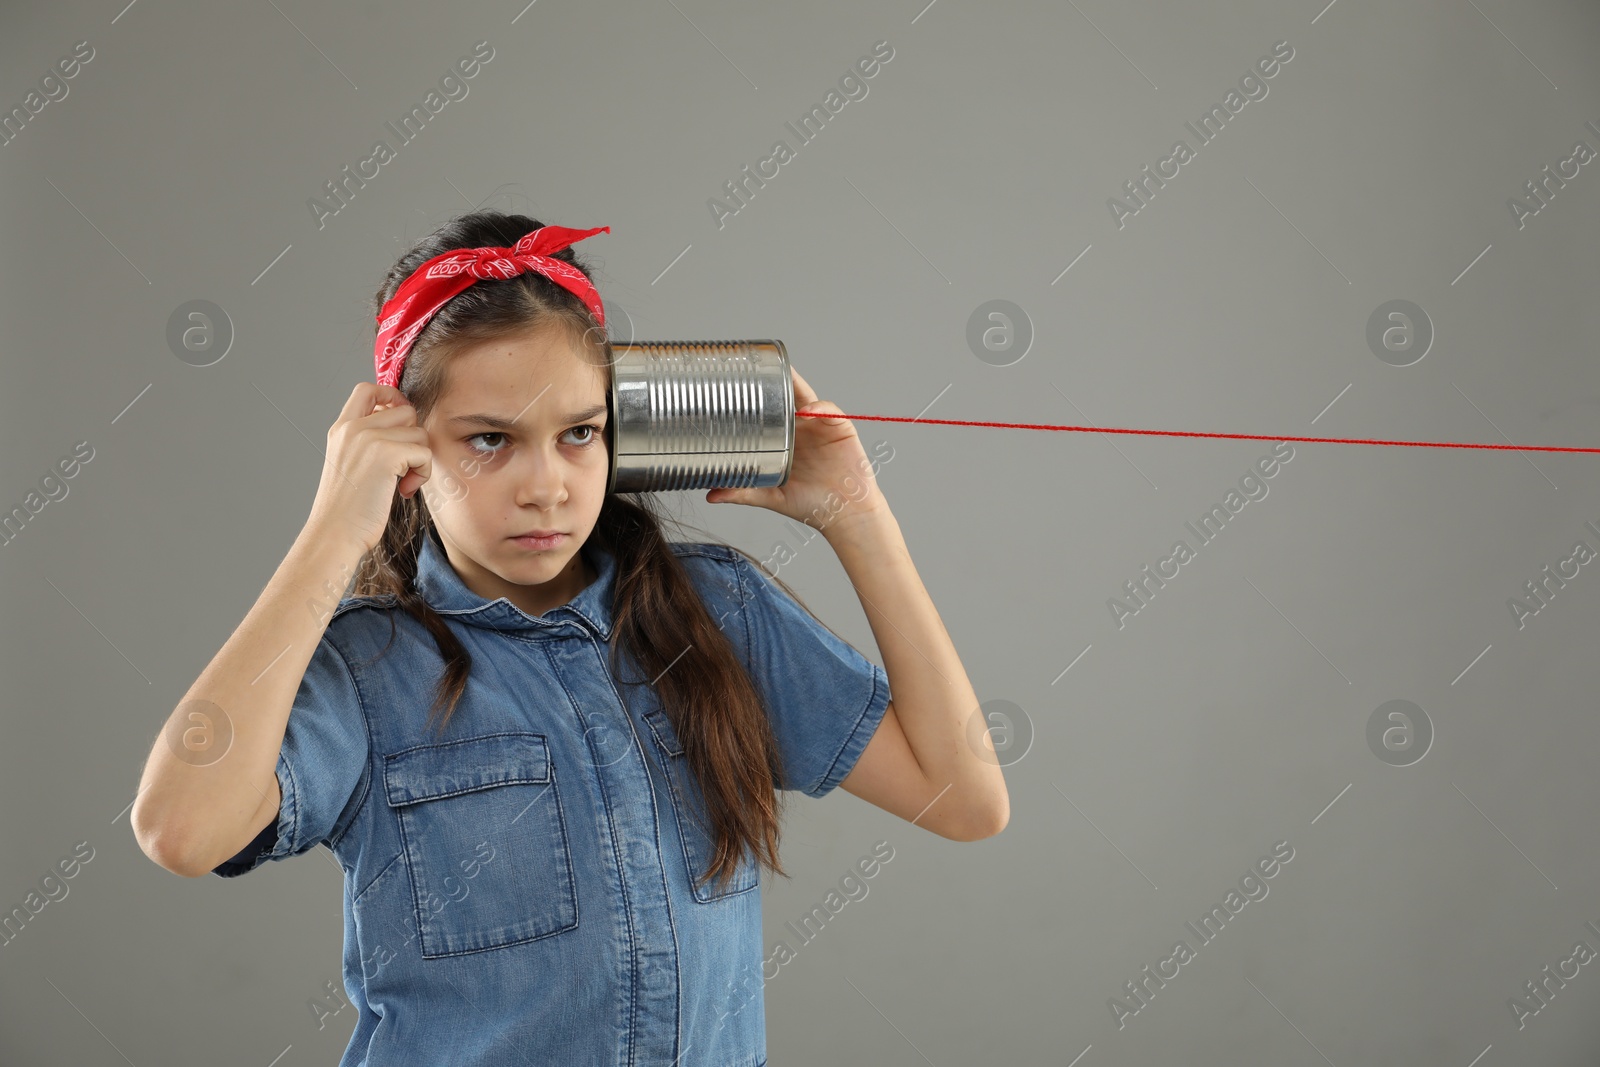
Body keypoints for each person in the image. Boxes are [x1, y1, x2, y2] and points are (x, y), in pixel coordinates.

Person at [129, 210, 1009, 1066]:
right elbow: (180, 828)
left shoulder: (715, 612)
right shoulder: (369, 668)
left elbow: (964, 796)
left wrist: (859, 517)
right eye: (490, 440)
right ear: (401, 446)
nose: (545, 485)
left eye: (577, 433)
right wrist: (334, 531)